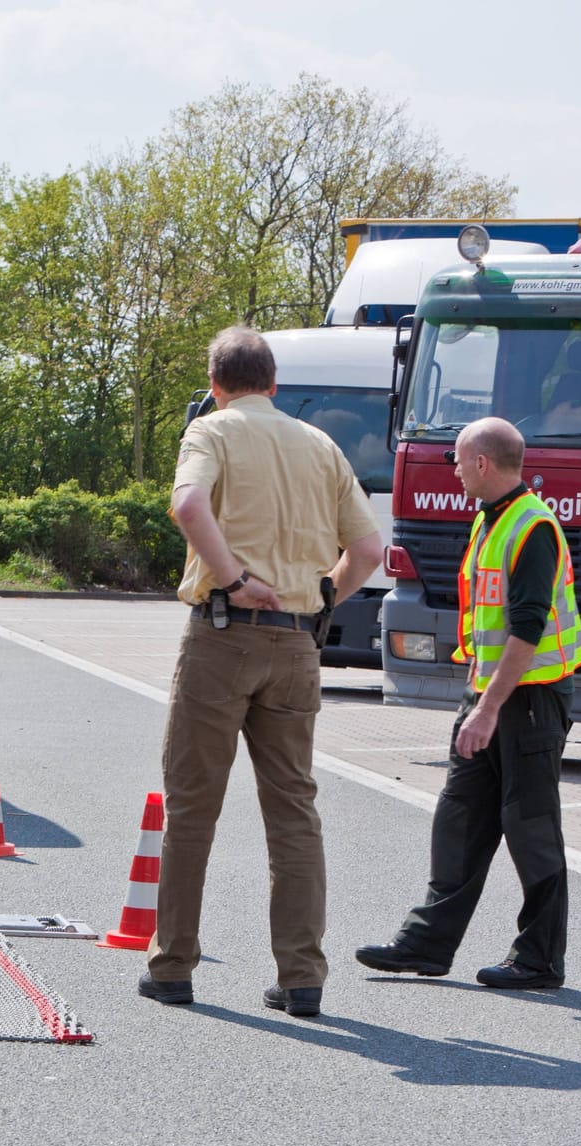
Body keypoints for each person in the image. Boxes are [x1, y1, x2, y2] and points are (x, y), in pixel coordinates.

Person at [139, 326, 383, 1018]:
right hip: (297, 644)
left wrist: (233, 576)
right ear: (274, 384)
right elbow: (368, 549)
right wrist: (324, 596)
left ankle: (173, 966)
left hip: (222, 636)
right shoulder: (319, 444)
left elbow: (188, 505)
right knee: (294, 812)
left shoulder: (212, 433)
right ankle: (301, 975)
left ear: (216, 385)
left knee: (192, 807)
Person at [355, 418, 581, 990]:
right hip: (491, 695)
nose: (453, 471)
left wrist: (486, 709)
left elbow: (528, 630)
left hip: (529, 701)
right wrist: (478, 701)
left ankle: (539, 960)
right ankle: (426, 945)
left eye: (458, 461)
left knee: (530, 829)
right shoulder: (493, 519)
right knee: (459, 818)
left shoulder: (531, 526)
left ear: (483, 462)